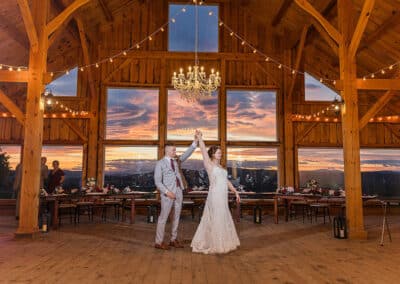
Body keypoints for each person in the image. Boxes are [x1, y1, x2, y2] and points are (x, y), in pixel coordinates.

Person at [191, 130, 240, 254]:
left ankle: (221, 242)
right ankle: (214, 244)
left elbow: (227, 181)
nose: (220, 154)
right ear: (213, 154)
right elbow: (203, 151)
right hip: (215, 196)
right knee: (215, 217)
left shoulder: (221, 167)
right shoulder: (209, 165)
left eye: (221, 153)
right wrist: (200, 138)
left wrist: (235, 191)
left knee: (222, 216)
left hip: (222, 196)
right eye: (218, 153)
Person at [154, 135, 198, 250]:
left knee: (177, 216)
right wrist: (167, 192)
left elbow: (186, 154)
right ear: (167, 150)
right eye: (173, 150)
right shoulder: (160, 163)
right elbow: (157, 182)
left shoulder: (177, 160)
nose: (175, 152)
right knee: (163, 217)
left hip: (179, 191)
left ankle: (173, 239)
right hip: (168, 194)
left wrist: (194, 143)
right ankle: (158, 242)